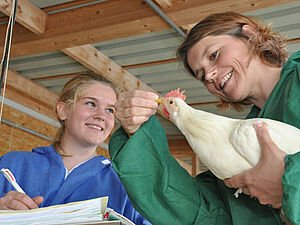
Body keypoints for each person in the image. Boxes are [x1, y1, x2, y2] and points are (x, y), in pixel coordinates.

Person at [108, 12, 300, 225]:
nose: (208, 76)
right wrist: (136, 131)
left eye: (213, 55)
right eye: (201, 76)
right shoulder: (231, 142)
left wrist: (289, 180)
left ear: (250, 34)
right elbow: (200, 209)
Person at [0, 72, 151, 225]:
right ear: (63, 110)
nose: (101, 116)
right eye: (91, 104)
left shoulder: (124, 185)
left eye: (110, 110)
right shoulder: (12, 163)